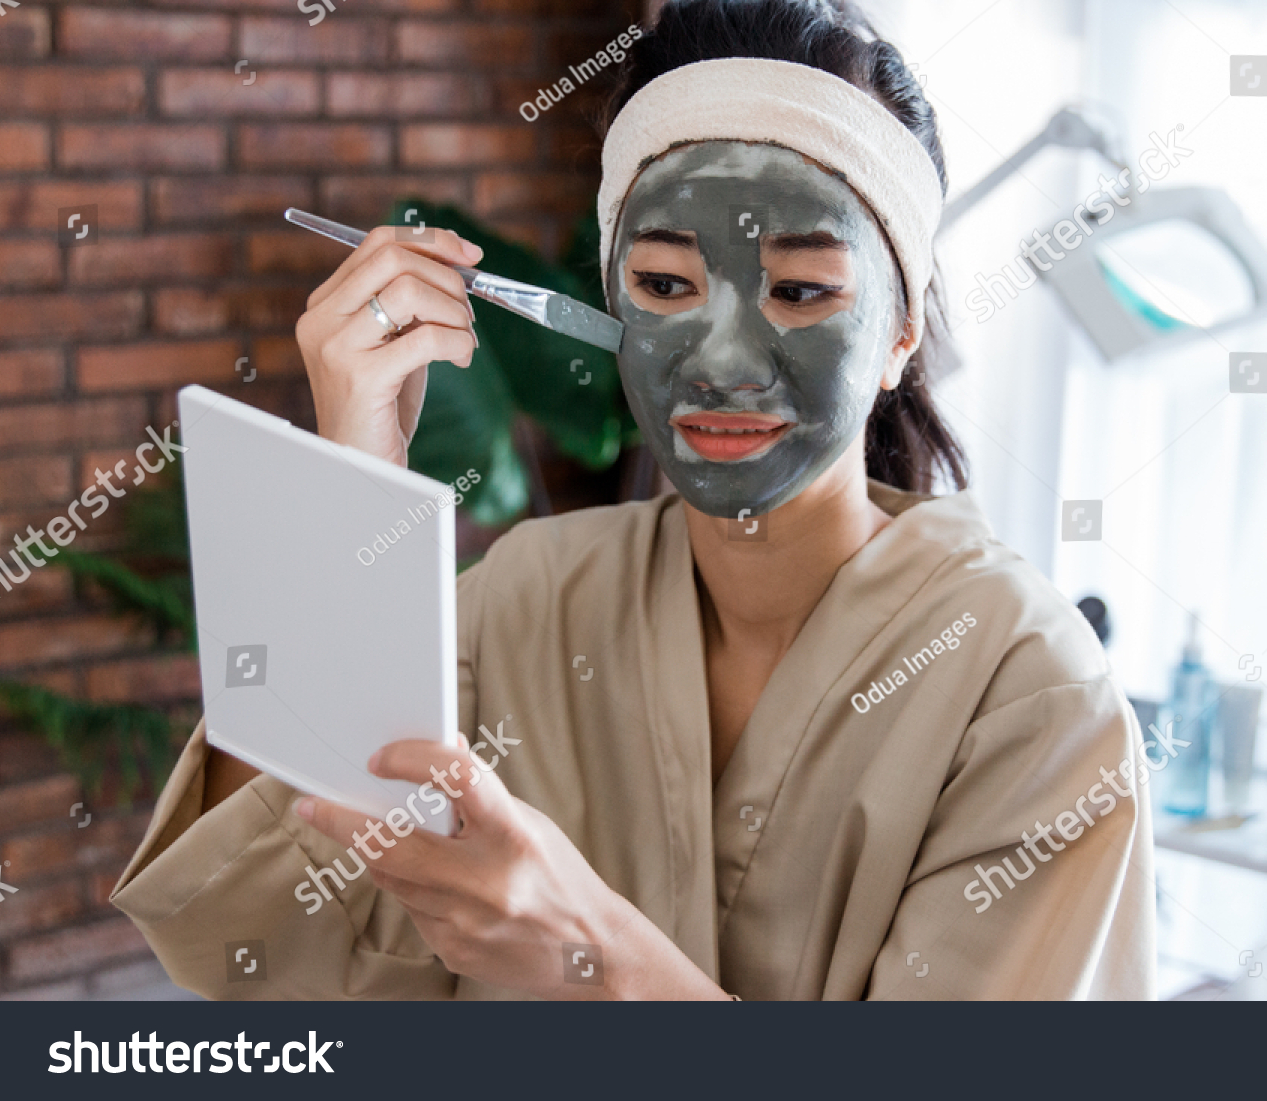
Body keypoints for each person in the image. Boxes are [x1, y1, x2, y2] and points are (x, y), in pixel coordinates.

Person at [112, 0, 1155, 1000]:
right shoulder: (529, 599)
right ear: (606, 307)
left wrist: (599, 960)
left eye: (800, 291)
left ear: (899, 336)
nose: (724, 361)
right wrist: (355, 480)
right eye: (663, 287)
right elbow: (244, 935)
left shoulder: (1034, 702)